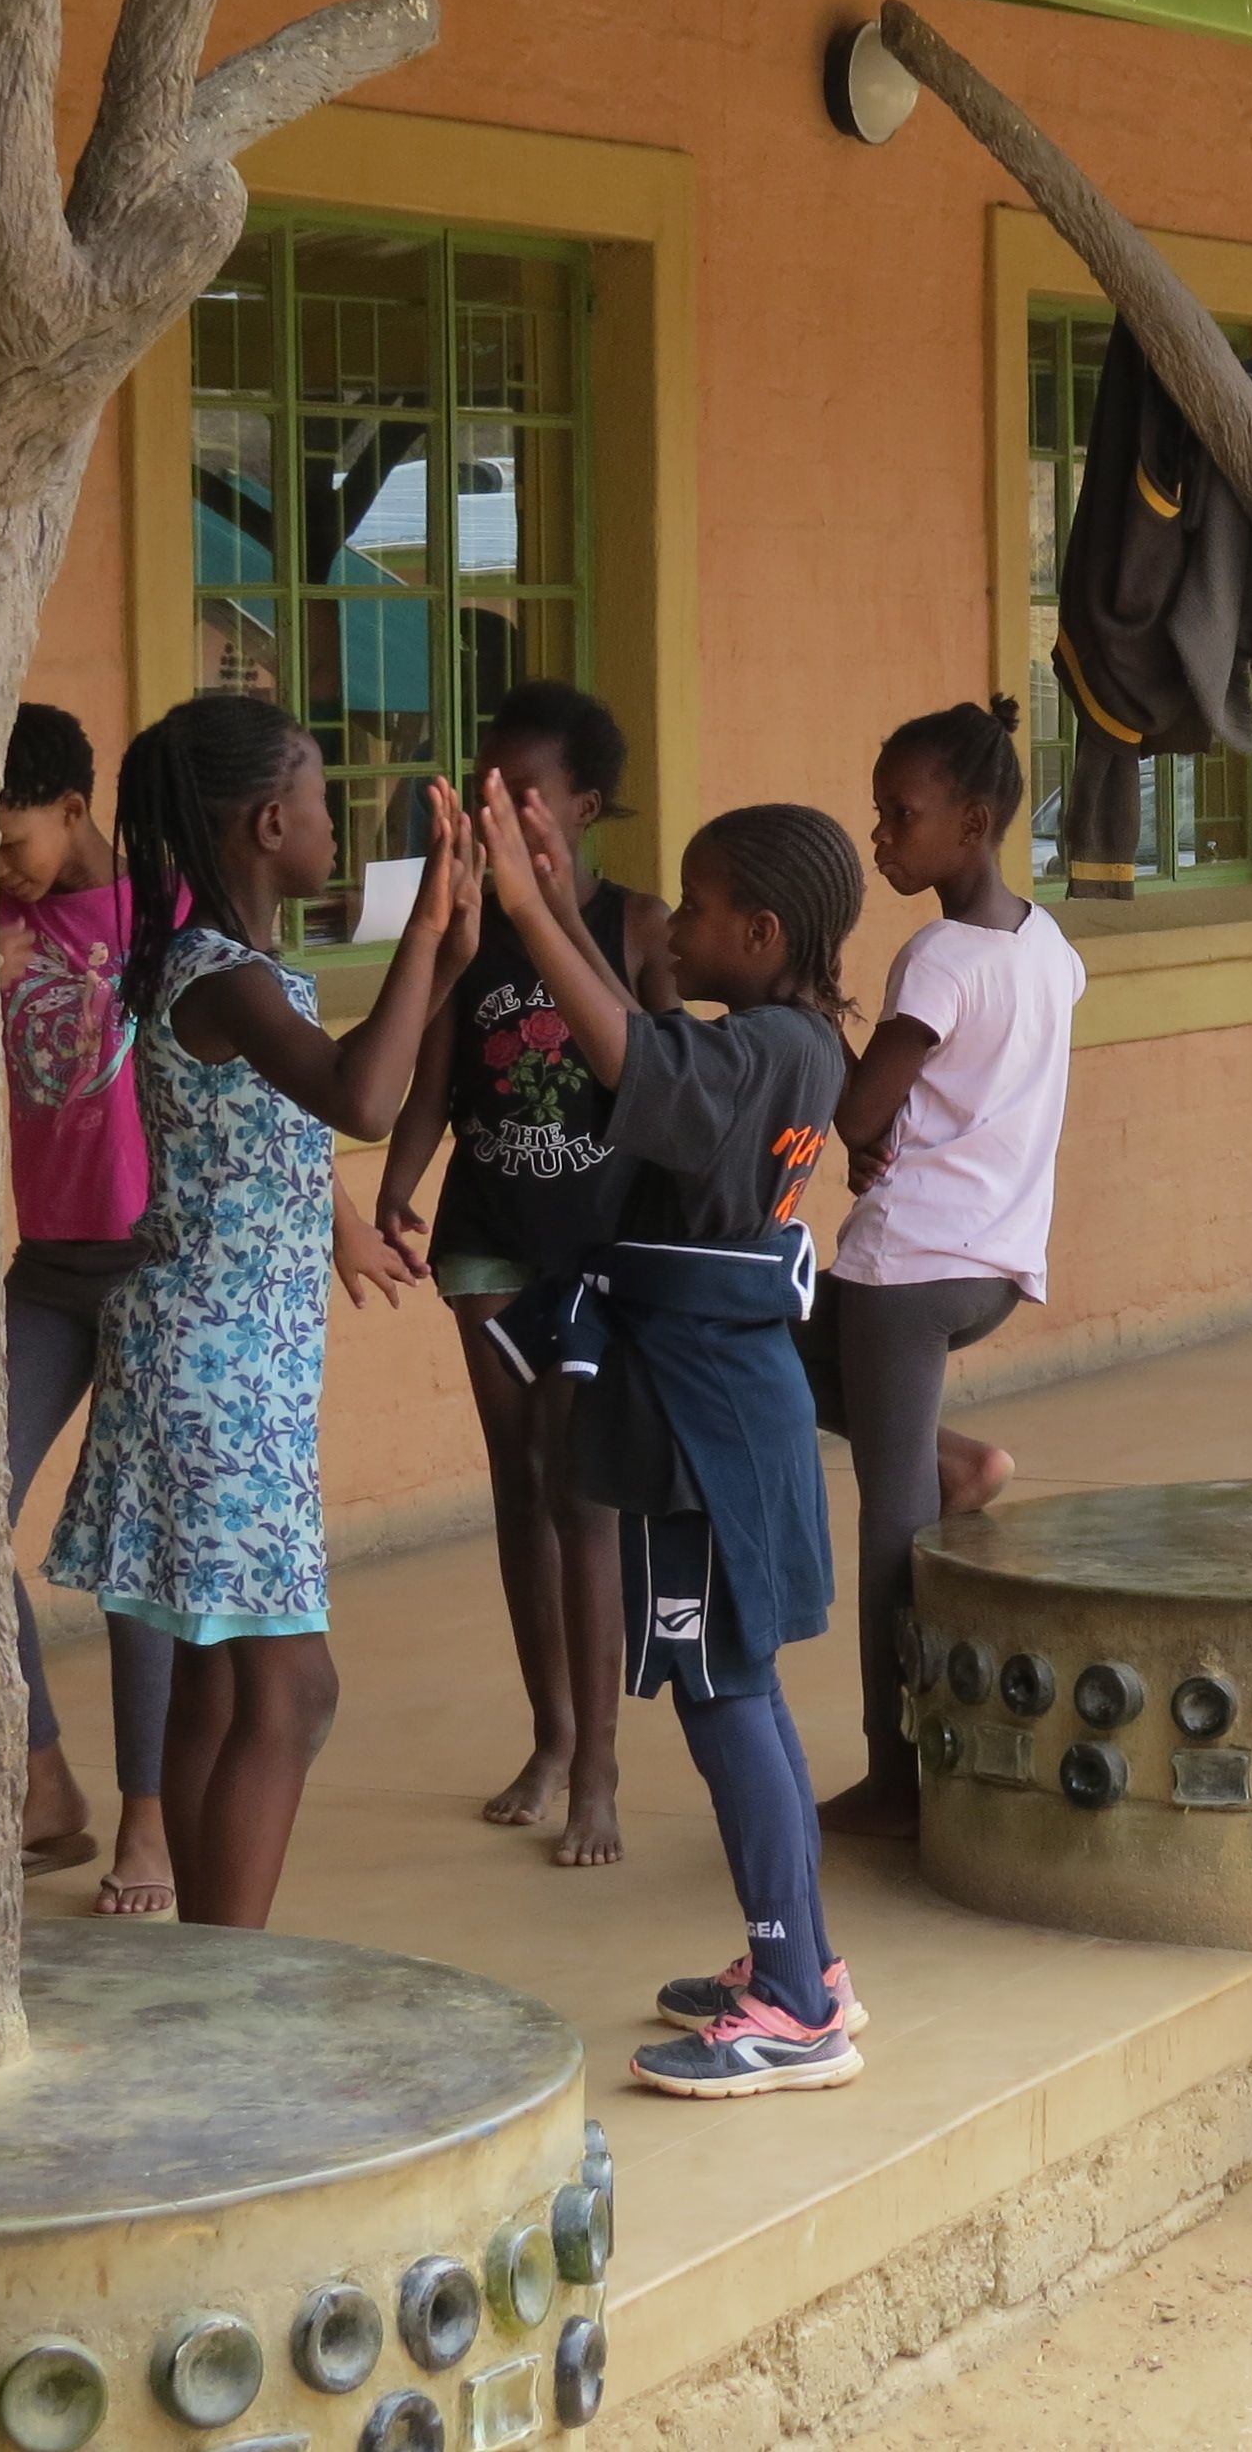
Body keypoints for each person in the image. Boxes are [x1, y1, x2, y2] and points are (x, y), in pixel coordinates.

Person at [46, 695, 469, 1930]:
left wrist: (445, 948)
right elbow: (364, 1099)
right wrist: (425, 928)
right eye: (326, 798)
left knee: (220, 1692)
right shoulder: (223, 983)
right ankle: (232, 1976)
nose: (338, 822)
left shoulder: (232, 974)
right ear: (271, 821)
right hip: (216, 1377)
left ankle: (202, 1967)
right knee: (294, 1692)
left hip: (224, 1369)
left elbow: (360, 1076)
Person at [476, 772, 868, 2099]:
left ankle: (793, 2006)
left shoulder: (759, 1051)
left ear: (760, 935)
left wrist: (532, 907)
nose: (673, 932)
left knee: (723, 1698)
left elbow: (636, 1058)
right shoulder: (793, 1044)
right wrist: (563, 916)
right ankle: (800, 1965)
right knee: (741, 1688)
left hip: (707, 1418)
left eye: (695, 912)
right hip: (722, 1402)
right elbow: (648, 1053)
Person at [371, 682, 675, 1868]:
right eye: (482, 789)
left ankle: (598, 1766)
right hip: (488, 1243)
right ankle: (549, 1737)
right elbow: (438, 1081)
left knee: (579, 1497)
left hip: (598, 1254)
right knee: (519, 1488)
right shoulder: (471, 928)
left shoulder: (639, 928)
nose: (493, 811)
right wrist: (399, 1179)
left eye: (521, 793)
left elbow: (667, 1084)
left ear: (583, 809)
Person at [812, 699, 1084, 1839]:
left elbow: (859, 1106)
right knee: (789, 1368)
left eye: (900, 816)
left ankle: (892, 1771)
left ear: (972, 823)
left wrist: (827, 1029)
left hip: (905, 1267)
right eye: (878, 815)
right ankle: (951, 1459)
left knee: (887, 1526)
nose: (881, 837)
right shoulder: (1048, 946)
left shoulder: (937, 955)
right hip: (992, 1263)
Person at [0, 703, 183, 1917]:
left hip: (153, 1263)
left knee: (136, 1555)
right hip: (48, 1266)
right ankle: (43, 1778)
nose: (0, 872)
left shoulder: (166, 920)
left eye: (14, 845)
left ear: (75, 812)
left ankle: (150, 1824)